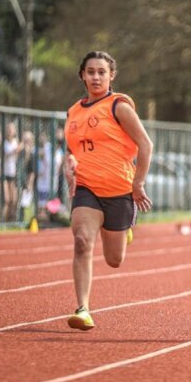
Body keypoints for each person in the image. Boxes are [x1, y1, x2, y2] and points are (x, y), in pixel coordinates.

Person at [63, 51, 153, 331]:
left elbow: (146, 145)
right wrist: (68, 164)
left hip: (119, 190)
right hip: (87, 187)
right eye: (90, 72)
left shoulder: (119, 106)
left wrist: (137, 183)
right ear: (82, 76)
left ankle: (124, 229)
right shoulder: (73, 112)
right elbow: (73, 149)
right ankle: (83, 309)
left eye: (101, 72)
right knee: (81, 241)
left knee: (114, 260)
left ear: (111, 75)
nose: (96, 77)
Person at [2, 122, 23, 222]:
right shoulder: (4, 143)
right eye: (9, 129)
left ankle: (12, 220)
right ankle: (3, 221)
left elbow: (20, 153)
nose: (10, 131)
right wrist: (15, 151)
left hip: (13, 173)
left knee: (14, 200)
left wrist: (20, 148)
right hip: (5, 174)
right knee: (7, 199)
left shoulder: (16, 141)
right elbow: (5, 156)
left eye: (12, 129)